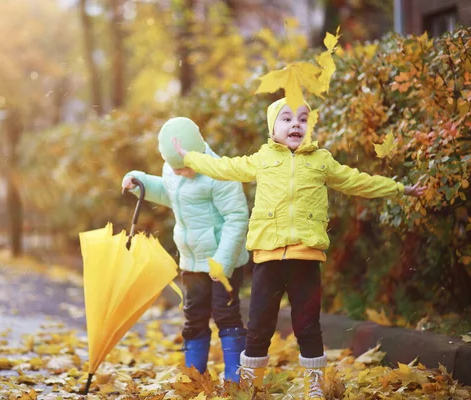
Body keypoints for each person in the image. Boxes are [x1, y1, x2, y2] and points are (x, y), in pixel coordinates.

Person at [172, 98, 427, 399]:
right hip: (268, 257)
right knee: (258, 326)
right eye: (287, 119)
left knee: (307, 325)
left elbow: (357, 181)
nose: (296, 124)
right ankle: (251, 385)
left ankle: (315, 386)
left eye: (303, 119)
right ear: (272, 129)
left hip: (305, 256)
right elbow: (223, 167)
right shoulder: (262, 159)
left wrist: (401, 189)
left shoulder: (321, 161)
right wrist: (190, 158)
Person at [121, 117, 250, 382]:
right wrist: (140, 182)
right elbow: (170, 193)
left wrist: (222, 263)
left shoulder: (220, 174)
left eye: (186, 167)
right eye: (175, 169)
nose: (181, 173)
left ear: (199, 151)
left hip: (223, 262)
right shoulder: (172, 170)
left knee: (225, 314)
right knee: (194, 318)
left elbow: (237, 218)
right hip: (192, 262)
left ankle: (236, 379)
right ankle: (195, 379)